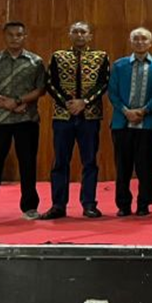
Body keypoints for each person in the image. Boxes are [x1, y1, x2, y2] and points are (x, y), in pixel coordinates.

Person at [0, 22, 46, 224]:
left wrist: (20, 101)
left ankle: (30, 207)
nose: (15, 38)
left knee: (28, 164)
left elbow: (41, 89)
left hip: (27, 119)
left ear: (25, 36)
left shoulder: (36, 62)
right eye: (11, 35)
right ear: (4, 36)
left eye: (19, 35)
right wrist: (5, 103)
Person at [41, 21, 110, 220]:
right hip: (63, 115)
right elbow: (50, 83)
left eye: (83, 32)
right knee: (60, 161)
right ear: (70, 35)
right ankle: (58, 205)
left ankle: (89, 204)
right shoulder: (58, 56)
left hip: (90, 115)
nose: (79, 35)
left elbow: (103, 83)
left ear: (90, 36)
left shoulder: (101, 56)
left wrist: (85, 102)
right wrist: (67, 102)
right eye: (75, 32)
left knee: (90, 162)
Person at [108, 27, 152, 217]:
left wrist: (144, 110)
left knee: (145, 166)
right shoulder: (119, 65)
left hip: (147, 124)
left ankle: (144, 204)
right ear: (131, 42)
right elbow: (112, 92)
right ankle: (123, 204)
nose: (140, 42)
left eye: (144, 39)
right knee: (122, 167)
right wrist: (126, 111)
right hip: (122, 123)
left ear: (151, 42)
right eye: (136, 39)